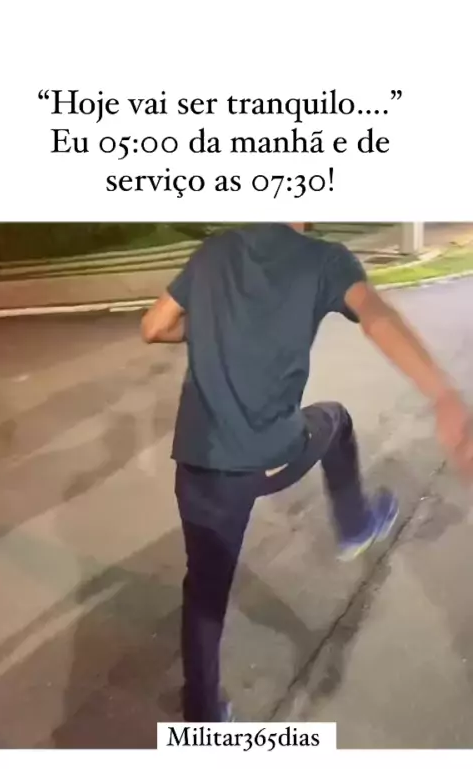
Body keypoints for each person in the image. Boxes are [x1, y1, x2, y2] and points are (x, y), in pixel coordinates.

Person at [141, 223, 473, 723]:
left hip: (199, 463)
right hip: (272, 455)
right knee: (335, 421)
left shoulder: (213, 252)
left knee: (204, 591)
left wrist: (210, 327)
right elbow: (376, 315)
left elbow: (153, 326)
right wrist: (443, 394)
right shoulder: (324, 259)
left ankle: (202, 712)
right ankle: (355, 523)